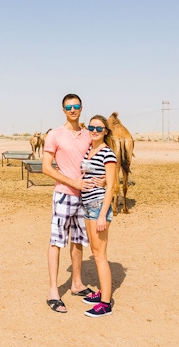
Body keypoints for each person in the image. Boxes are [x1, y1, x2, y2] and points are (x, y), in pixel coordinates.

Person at [42, 93, 103, 313]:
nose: (73, 110)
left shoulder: (89, 134)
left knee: (78, 241)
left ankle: (76, 284)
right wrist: (72, 182)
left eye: (76, 106)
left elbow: (99, 158)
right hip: (63, 195)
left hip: (84, 197)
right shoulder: (55, 135)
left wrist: (101, 180)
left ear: (81, 108)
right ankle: (53, 291)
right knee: (57, 241)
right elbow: (47, 167)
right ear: (63, 110)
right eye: (69, 107)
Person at [80, 115, 117, 317]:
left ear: (105, 131)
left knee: (100, 255)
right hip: (87, 207)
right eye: (91, 127)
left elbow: (111, 185)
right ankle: (102, 292)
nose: (94, 130)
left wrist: (103, 214)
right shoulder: (89, 150)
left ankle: (105, 303)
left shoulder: (108, 154)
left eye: (99, 128)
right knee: (94, 252)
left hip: (98, 208)